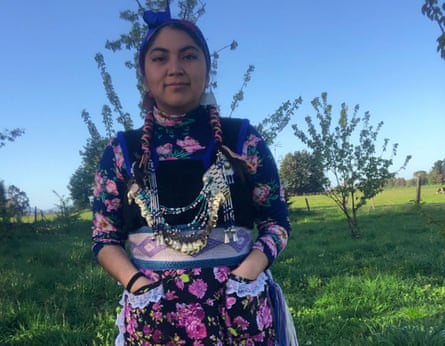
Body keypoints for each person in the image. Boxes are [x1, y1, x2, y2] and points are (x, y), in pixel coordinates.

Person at [92, 6, 297, 346]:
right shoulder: (121, 151)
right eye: (160, 58)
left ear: (207, 67)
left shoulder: (243, 139)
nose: (175, 69)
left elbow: (276, 222)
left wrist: (246, 277)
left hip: (239, 312)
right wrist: (138, 287)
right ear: (144, 72)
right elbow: (104, 238)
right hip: (155, 317)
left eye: (188, 55)